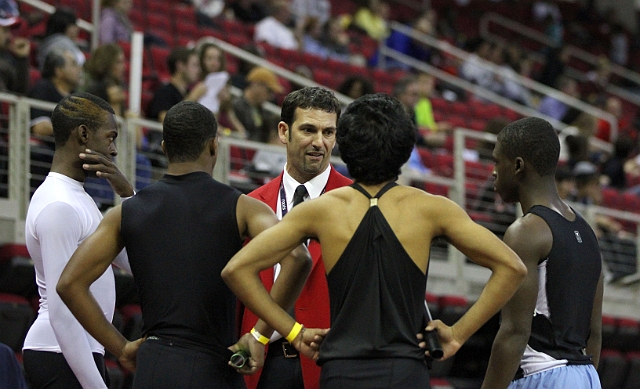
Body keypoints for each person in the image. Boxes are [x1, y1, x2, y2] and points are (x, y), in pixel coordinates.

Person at [222, 93, 527, 388]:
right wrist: (458, 333)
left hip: (341, 370)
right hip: (405, 370)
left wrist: (294, 332)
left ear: (344, 144)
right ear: (406, 149)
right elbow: (512, 267)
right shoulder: (433, 208)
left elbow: (236, 270)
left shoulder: (320, 210)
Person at [57, 101, 319, 389]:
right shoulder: (244, 208)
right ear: (213, 147)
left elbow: (69, 283)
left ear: (165, 148)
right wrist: (260, 334)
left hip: (154, 365)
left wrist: (121, 348)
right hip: (215, 366)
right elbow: (298, 258)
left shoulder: (126, 212)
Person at [240, 86, 352, 389]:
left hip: (330, 365)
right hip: (262, 365)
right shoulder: (251, 204)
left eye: (328, 132)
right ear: (283, 131)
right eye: (308, 130)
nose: (319, 142)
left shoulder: (356, 202)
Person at [22, 92, 135, 389]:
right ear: (83, 134)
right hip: (58, 351)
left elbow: (135, 262)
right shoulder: (59, 206)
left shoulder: (79, 199)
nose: (113, 151)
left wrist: (129, 196)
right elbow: (62, 310)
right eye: (110, 138)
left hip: (78, 351)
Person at [481, 117, 603, 389]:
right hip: (586, 377)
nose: (493, 171)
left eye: (496, 161)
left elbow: (514, 333)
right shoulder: (588, 232)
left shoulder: (525, 231)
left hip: (544, 375)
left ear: (518, 166)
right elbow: (594, 333)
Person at [232, 66, 283, 143]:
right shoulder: (237, 107)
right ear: (256, 84)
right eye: (269, 91)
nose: (271, 96)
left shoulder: (260, 110)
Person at [37, 7, 85, 72]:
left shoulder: (53, 42)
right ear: (64, 26)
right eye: (73, 25)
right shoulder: (60, 43)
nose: (77, 29)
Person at [0, 1, 30, 95]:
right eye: (5, 30)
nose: (9, 36)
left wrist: (22, 58)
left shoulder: (7, 58)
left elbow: (20, 95)